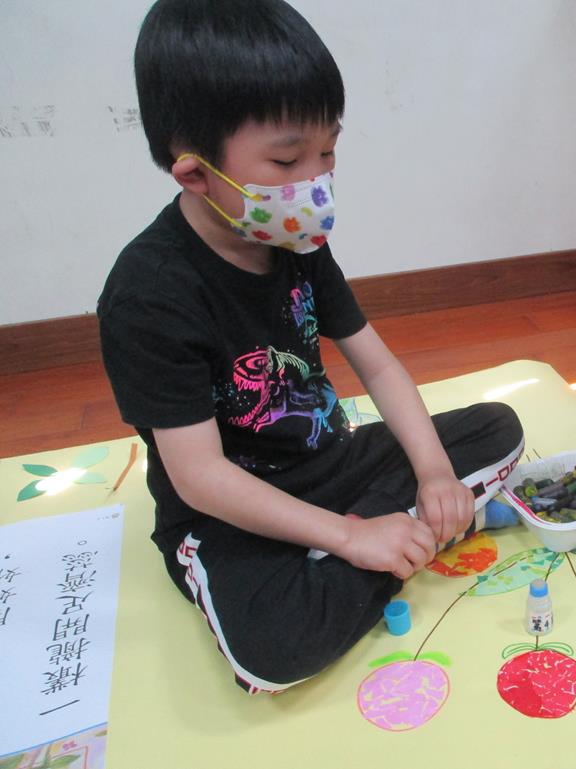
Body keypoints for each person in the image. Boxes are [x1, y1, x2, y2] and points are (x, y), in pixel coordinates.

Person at [97, 0, 523, 694]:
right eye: (288, 159)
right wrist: (351, 537)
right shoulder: (149, 294)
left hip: (330, 463)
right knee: (273, 650)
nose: (316, 180)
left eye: (327, 151)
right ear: (196, 174)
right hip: (229, 510)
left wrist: (433, 472)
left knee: (497, 427)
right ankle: (384, 540)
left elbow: (376, 362)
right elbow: (200, 476)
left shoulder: (293, 239)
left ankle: (382, 537)